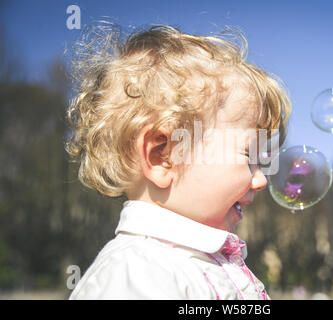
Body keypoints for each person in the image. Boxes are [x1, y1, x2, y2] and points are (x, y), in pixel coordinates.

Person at [65, 24, 291, 299]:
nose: (261, 180)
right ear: (163, 156)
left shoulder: (203, 261)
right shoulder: (136, 272)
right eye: (248, 156)